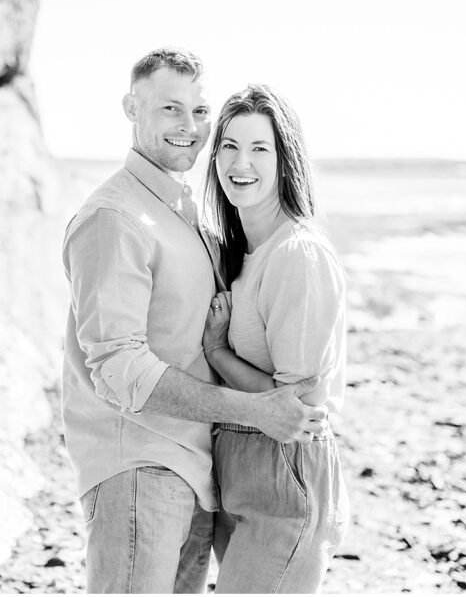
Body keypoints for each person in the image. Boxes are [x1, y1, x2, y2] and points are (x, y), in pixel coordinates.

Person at [61, 49, 328, 594]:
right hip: (137, 466)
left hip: (196, 474)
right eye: (170, 109)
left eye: (200, 111)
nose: (189, 128)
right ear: (131, 108)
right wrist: (254, 409)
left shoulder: (187, 216)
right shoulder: (115, 218)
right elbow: (118, 367)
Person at [202, 83, 350, 593]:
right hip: (241, 466)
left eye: (259, 148)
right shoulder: (244, 254)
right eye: (229, 145)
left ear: (286, 160)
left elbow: (299, 405)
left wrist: (217, 352)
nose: (240, 162)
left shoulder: (297, 255)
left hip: (285, 470)